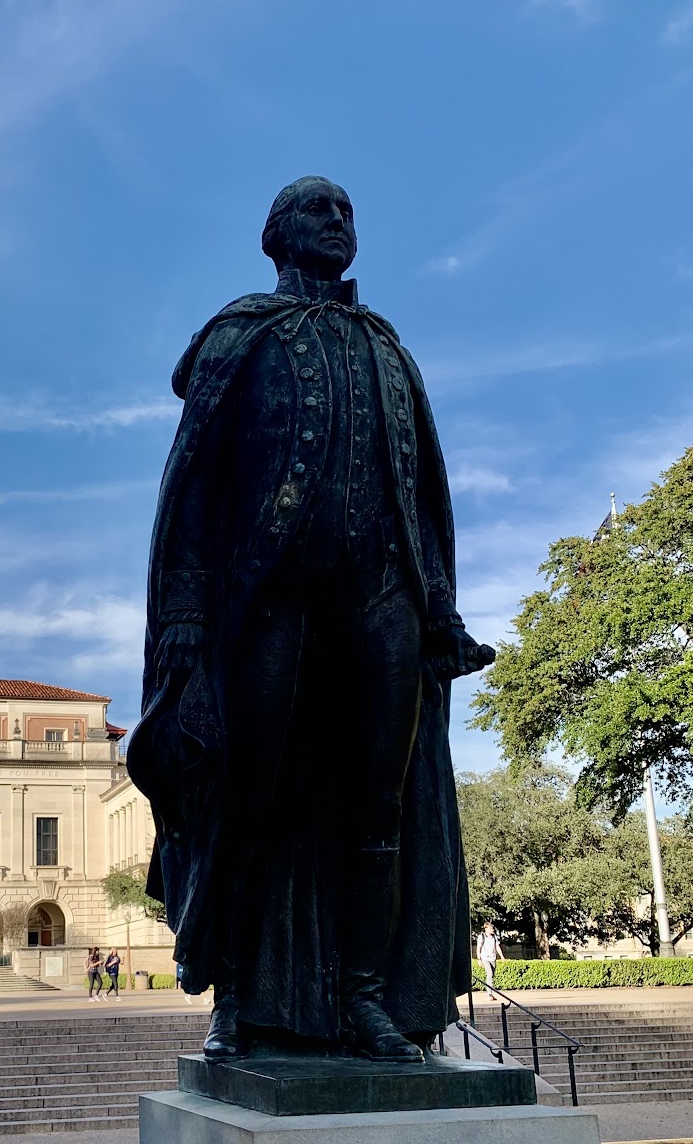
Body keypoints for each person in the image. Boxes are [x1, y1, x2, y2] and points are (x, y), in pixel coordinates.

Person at [128, 176, 494, 1063]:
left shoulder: (386, 347)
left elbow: (426, 492)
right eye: (320, 211)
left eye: (349, 213)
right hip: (271, 595)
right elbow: (195, 482)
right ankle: (241, 993)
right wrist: (183, 609)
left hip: (382, 596)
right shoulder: (239, 335)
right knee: (249, 797)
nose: (340, 223)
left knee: (382, 800)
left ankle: (368, 999)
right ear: (279, 235)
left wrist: (438, 604)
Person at [476, 923, 503, 989]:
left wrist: (501, 956)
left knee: (492, 975)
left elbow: (497, 946)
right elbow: (478, 948)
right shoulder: (481, 937)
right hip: (485, 958)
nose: (492, 930)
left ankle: (490, 990)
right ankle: (489, 993)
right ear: (486, 928)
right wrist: (479, 959)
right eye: (491, 928)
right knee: (490, 973)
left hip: (493, 958)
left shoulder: (494, 937)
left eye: (492, 928)